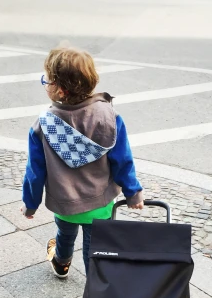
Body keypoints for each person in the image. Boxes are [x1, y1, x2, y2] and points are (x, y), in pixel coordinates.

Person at [21, 45, 144, 278]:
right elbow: (122, 160)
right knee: (94, 249)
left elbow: (35, 172)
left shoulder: (43, 125)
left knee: (65, 235)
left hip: (65, 203)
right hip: (100, 202)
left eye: (46, 80)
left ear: (59, 89)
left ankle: (61, 262)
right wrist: (133, 192)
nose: (45, 82)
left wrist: (30, 203)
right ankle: (96, 289)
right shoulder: (109, 116)